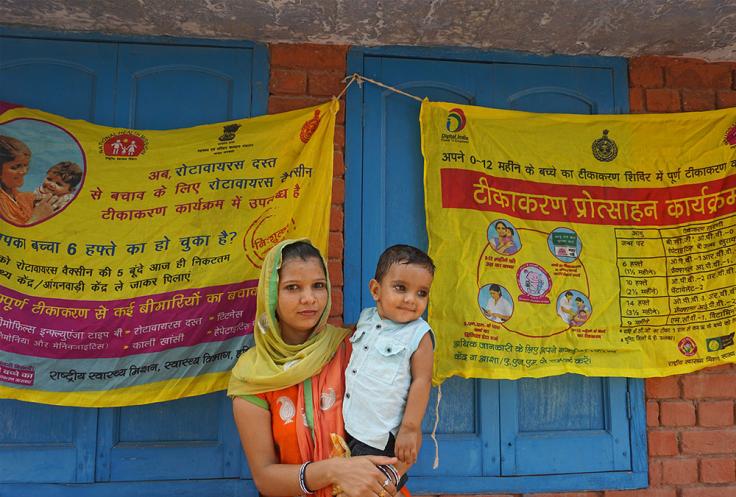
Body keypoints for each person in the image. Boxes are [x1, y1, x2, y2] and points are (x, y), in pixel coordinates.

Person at [229, 239, 398, 497]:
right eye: (292, 287)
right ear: (271, 294)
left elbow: (398, 432)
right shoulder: (252, 375)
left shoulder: (354, 349)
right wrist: (333, 471)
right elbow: (265, 478)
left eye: (318, 286)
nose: (309, 299)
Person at [343, 245, 435, 491]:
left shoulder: (419, 335)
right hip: (349, 428)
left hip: (380, 438)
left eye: (421, 293)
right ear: (376, 290)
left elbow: (422, 381)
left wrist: (410, 428)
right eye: (400, 288)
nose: (410, 299)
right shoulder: (366, 318)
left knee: (369, 491)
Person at [0, 135, 54, 225]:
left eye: (26, 165)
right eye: (15, 167)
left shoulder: (23, 196)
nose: (24, 171)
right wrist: (36, 218)